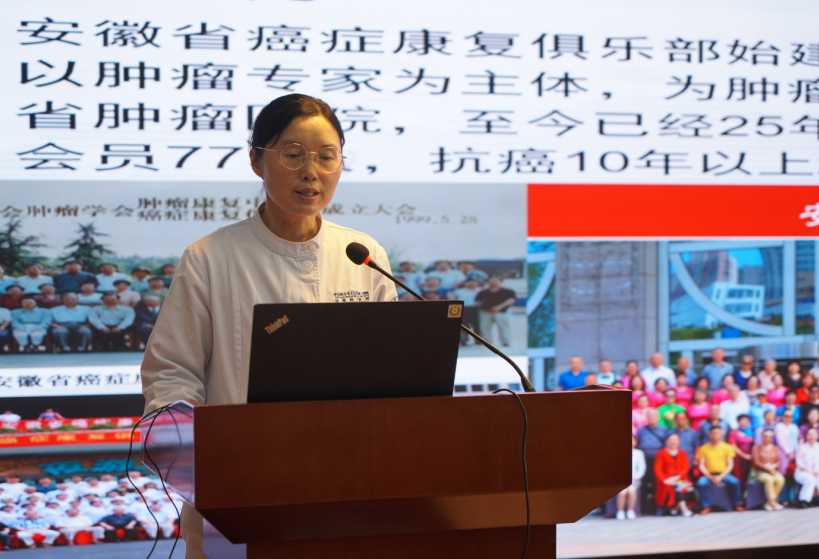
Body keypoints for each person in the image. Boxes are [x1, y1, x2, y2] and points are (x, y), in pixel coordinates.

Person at [141, 94, 398, 558]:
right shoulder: (209, 258)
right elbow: (171, 374)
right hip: (240, 491)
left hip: (347, 486)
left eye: (327, 156)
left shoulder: (363, 255)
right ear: (257, 161)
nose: (311, 172)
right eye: (293, 155)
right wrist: (202, 450)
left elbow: (394, 377)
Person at [696, 426, 744, 513]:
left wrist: (721, 477)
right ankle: (706, 506)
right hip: (709, 475)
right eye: (712, 433)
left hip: (724, 474)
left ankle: (737, 504)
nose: (715, 435)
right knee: (701, 483)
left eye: (717, 433)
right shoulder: (703, 448)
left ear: (721, 434)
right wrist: (710, 476)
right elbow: (701, 465)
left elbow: (730, 465)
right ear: (709, 435)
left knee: (735, 482)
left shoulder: (727, 447)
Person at [654, 433, 694, 516]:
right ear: (666, 441)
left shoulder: (682, 453)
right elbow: (657, 469)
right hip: (666, 480)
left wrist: (677, 477)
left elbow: (685, 467)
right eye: (671, 439)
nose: (673, 441)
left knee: (686, 487)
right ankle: (684, 510)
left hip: (679, 478)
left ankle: (677, 508)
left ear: (679, 441)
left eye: (675, 439)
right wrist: (665, 480)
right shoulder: (661, 453)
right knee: (674, 487)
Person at [474, 276, 517, 347]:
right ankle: (487, 341)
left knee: (504, 327)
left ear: (500, 281)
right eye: (491, 280)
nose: (493, 281)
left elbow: (511, 300)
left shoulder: (508, 291)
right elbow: (478, 301)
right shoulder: (483, 292)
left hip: (501, 312)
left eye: (495, 280)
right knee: (484, 327)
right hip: (486, 312)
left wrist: (499, 307)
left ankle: (505, 341)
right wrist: (485, 308)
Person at [750, 429, 786, 511]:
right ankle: (773, 503)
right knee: (769, 479)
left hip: (772, 470)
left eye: (770, 436)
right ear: (762, 437)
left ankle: (769, 502)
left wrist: (773, 467)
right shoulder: (756, 448)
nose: (767, 438)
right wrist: (767, 468)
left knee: (780, 479)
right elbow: (756, 462)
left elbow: (778, 461)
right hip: (759, 471)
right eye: (765, 436)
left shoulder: (775, 448)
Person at [616, 436, 645, 520]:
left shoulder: (639, 453)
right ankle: (620, 511)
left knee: (631, 491)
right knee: (622, 492)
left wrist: (635, 478)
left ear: (635, 442)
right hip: (621, 480)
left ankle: (630, 511)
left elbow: (642, 468)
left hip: (634, 479)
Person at [795, 427, 819, 508]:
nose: (812, 436)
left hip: (817, 472)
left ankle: (815, 498)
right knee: (810, 479)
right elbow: (800, 463)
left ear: (817, 435)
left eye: (813, 434)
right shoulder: (802, 447)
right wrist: (811, 471)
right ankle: (804, 500)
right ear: (806, 436)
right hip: (803, 472)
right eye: (810, 434)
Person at [452, 279, 481, 344]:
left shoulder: (480, 290)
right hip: (463, 308)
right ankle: (464, 340)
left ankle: (478, 340)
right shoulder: (458, 291)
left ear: (477, 283)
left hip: (475, 309)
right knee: (464, 325)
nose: (471, 284)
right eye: (468, 282)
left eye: (473, 282)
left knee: (477, 325)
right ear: (464, 283)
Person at [728, 414, 754, 485]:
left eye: (747, 421)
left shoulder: (752, 433)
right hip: (738, 460)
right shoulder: (733, 433)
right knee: (738, 479)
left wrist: (752, 456)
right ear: (738, 422)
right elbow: (733, 446)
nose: (745, 422)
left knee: (749, 478)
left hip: (750, 459)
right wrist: (744, 455)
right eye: (743, 420)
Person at [776, 410, 799, 476]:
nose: (788, 417)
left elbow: (797, 440)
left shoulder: (795, 427)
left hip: (795, 453)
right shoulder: (779, 426)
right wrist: (789, 453)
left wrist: (797, 452)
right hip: (784, 452)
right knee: (784, 470)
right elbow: (781, 441)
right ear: (782, 416)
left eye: (790, 416)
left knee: (794, 471)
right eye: (786, 416)